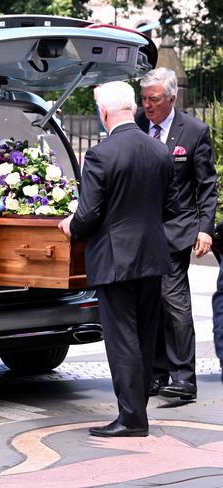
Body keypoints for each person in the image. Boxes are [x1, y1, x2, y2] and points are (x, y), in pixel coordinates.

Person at [59, 81, 178, 437]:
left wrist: (70, 226)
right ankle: (136, 411)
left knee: (122, 339)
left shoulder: (100, 155)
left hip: (115, 259)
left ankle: (131, 418)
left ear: (105, 112)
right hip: (152, 255)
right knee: (143, 336)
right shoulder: (159, 151)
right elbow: (171, 207)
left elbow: (89, 213)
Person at [136, 68, 217, 401]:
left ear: (172, 97)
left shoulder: (194, 131)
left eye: (153, 99)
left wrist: (205, 229)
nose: (147, 105)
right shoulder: (137, 125)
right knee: (149, 302)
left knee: (175, 303)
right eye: (143, 99)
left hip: (176, 231)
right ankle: (156, 372)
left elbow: (207, 186)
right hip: (141, 233)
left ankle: (184, 378)